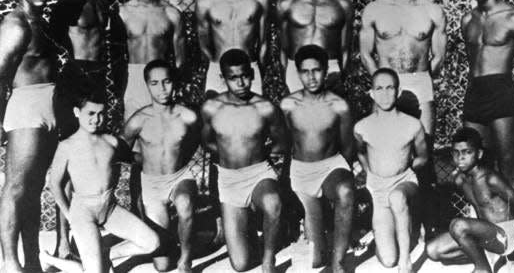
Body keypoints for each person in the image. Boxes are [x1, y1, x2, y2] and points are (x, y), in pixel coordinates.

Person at [359, 0, 447, 238]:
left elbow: (438, 56)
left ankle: (423, 223)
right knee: (384, 152)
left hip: (419, 82)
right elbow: (366, 53)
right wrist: (381, 83)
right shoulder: (374, 10)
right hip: (385, 85)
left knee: (424, 154)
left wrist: (419, 79)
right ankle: (386, 222)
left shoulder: (432, 11)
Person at [41, 89, 161, 273]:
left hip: (109, 208)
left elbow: (133, 158)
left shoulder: (111, 142)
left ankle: (105, 255)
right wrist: (69, 214)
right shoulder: (67, 146)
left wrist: (156, 154)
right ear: (76, 112)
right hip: (83, 213)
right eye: (90, 113)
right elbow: (54, 183)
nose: (96, 119)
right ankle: (48, 259)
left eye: (101, 114)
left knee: (152, 242)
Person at [200, 49, 286, 272]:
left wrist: (262, 156)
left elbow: (281, 142)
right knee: (240, 265)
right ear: (223, 78)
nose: (241, 82)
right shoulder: (211, 108)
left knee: (272, 202)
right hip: (229, 181)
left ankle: (268, 260)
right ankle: (251, 233)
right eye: (233, 77)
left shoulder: (265, 107)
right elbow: (207, 142)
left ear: (252, 74)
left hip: (259, 173)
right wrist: (229, 155)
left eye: (245, 75)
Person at [0, 0, 58, 273]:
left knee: (34, 189)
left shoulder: (42, 22)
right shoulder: (15, 24)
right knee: (16, 187)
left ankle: (33, 261)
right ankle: (10, 263)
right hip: (25, 109)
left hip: (48, 106)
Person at [280, 45, 354, 273]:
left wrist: (343, 176)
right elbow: (284, 144)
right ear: (298, 73)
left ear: (325, 70)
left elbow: (348, 147)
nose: (311, 77)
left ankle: (339, 263)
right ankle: (316, 231)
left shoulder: (338, 105)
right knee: (315, 261)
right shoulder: (288, 105)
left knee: (345, 191)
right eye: (305, 71)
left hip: (330, 166)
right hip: (301, 172)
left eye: (317, 70)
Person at [121, 60, 200, 273]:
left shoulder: (188, 116)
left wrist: (181, 157)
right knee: (162, 266)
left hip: (180, 176)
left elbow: (196, 141)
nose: (162, 89)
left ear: (174, 82)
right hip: (152, 185)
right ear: (147, 85)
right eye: (155, 83)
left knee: (184, 203)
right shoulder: (138, 120)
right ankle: (174, 240)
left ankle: (186, 259)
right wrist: (141, 160)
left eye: (166, 82)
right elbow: (121, 150)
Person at [461, 0, 514, 199]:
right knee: (476, 168)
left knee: (509, 167)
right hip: (476, 92)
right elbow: (472, 66)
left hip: (501, 91)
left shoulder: (513, 17)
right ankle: (488, 228)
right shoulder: (468, 20)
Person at [49, 0, 127, 136]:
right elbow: (53, 38)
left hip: (98, 73)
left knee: (97, 134)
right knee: (73, 135)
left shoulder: (100, 1)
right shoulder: (69, 3)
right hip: (78, 73)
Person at [355, 68, 428, 273]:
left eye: (390, 88)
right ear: (371, 93)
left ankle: (406, 262)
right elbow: (360, 152)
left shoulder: (412, 124)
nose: (385, 93)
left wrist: (405, 170)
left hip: (404, 182)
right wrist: (369, 172)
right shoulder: (362, 127)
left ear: (398, 90)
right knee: (387, 260)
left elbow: (423, 156)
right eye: (379, 88)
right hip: (378, 189)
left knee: (397, 197)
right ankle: (389, 232)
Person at [426, 128, 514, 273]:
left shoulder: (490, 178)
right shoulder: (460, 180)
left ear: (479, 154)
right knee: (433, 250)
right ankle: (486, 257)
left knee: (458, 225)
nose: (461, 158)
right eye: (456, 153)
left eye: (467, 152)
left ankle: (482, 269)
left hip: (505, 236)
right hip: (485, 236)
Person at [277, 0, 354, 94]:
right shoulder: (287, 3)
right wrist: (286, 80)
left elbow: (346, 50)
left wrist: (340, 79)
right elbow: (283, 50)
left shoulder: (342, 4)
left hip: (330, 69)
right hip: (297, 70)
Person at [119, 0, 185, 121]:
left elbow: (180, 59)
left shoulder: (171, 13)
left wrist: (177, 85)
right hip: (133, 80)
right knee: (134, 138)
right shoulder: (123, 12)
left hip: (162, 80)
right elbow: (115, 57)